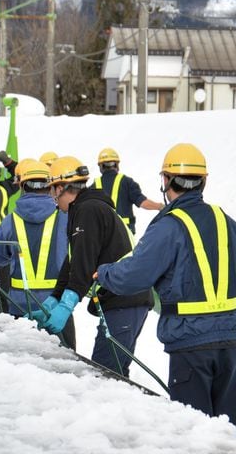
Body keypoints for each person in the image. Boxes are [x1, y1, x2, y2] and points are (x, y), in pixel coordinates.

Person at [95, 143, 236, 424]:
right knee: (226, 436)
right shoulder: (229, 222)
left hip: (190, 343)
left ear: (165, 181)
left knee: (192, 431)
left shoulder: (168, 226)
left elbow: (135, 276)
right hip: (229, 340)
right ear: (204, 181)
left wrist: (105, 274)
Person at [39, 156, 153, 376]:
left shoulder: (88, 210)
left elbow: (83, 263)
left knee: (104, 374)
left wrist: (66, 306)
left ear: (62, 187)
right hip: (125, 300)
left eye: (53, 190)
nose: (52, 197)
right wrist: (54, 299)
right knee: (113, 373)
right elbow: (73, 260)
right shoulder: (84, 208)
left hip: (125, 300)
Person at [0, 159, 69, 325]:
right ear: (51, 187)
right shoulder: (65, 218)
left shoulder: (8, 222)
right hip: (56, 305)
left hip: (19, 305)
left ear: (21, 187)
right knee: (62, 351)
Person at [93, 147, 164, 235]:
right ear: (116, 165)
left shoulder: (94, 186)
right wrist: (160, 206)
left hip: (102, 236)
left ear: (100, 166)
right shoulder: (126, 182)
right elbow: (143, 203)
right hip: (124, 235)